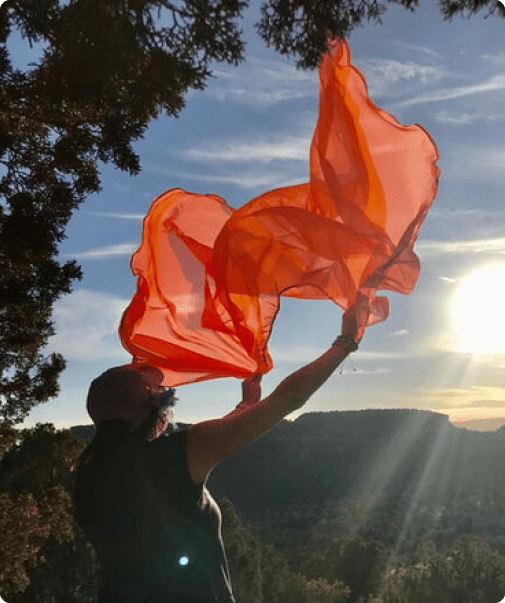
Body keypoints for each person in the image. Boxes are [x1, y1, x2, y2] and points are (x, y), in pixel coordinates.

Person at [73, 311, 360, 603]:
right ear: (145, 408)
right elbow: (288, 398)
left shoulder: (89, 469)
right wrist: (345, 342)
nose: (165, 402)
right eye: (160, 395)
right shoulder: (170, 457)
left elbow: (212, 440)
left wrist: (245, 406)